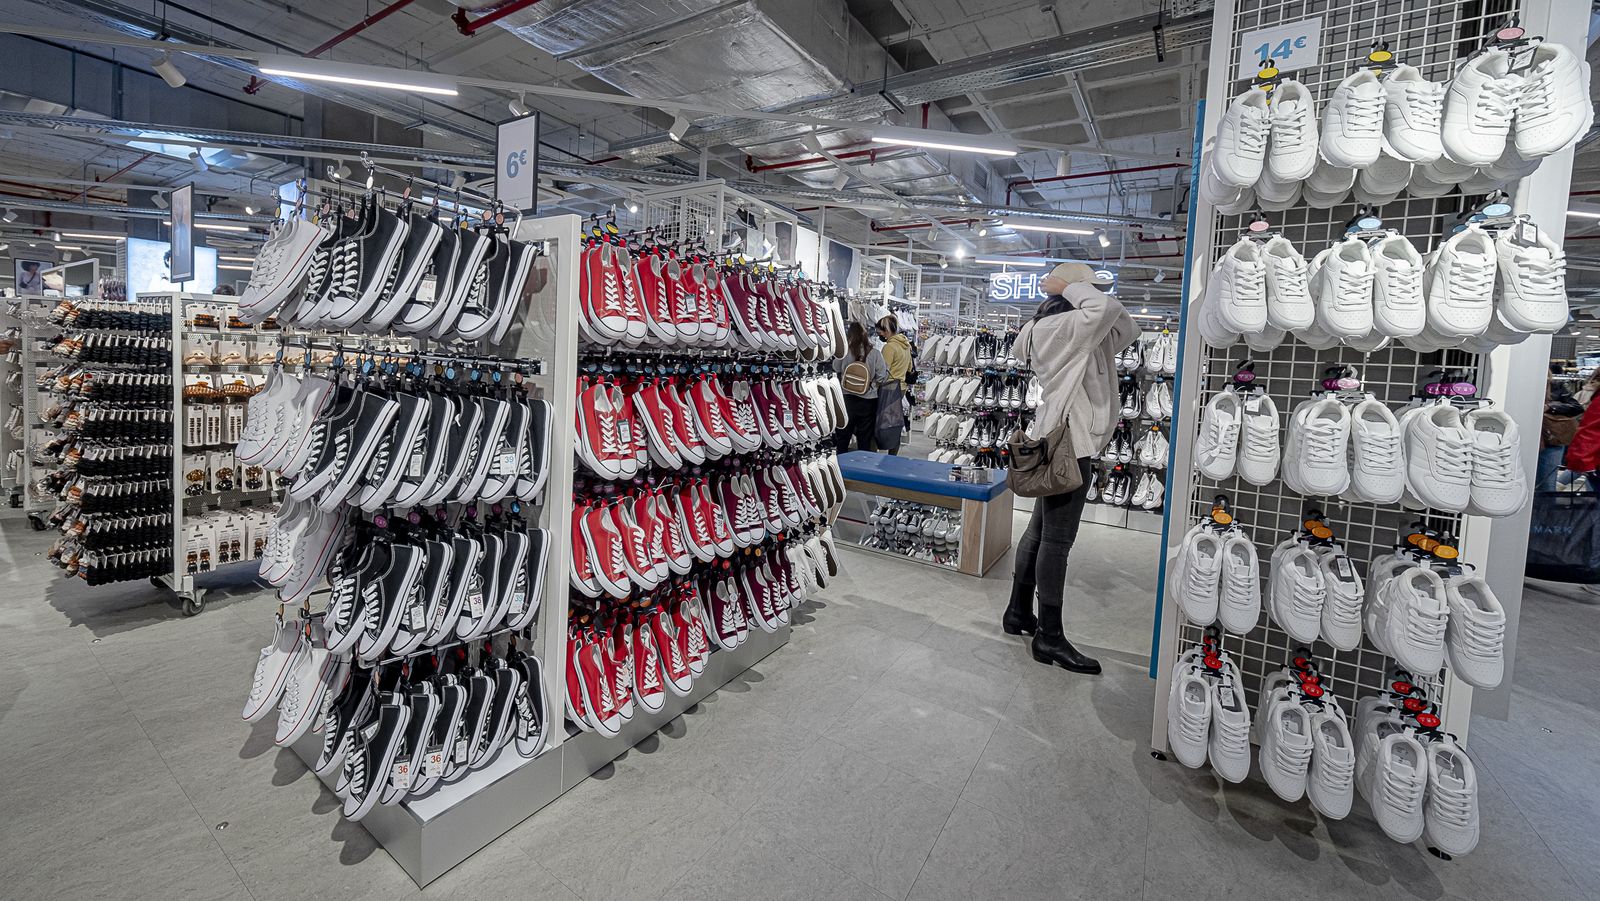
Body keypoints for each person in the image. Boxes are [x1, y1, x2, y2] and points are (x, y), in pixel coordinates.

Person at [1002, 262, 1136, 675]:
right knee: (1057, 542)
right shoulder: (1064, 329)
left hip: (1061, 437)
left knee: (1039, 531)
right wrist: (1074, 285)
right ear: (1075, 293)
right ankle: (1050, 636)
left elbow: (1125, 327)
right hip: (1070, 444)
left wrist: (1074, 289)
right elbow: (1104, 308)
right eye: (1085, 288)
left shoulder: (1069, 330)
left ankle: (1018, 612)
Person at [833, 322, 886, 453]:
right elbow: (882, 376)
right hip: (868, 399)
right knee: (865, 435)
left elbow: (836, 367)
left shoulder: (845, 352)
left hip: (847, 398)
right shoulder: (875, 353)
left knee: (844, 433)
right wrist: (872, 385)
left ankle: (841, 463)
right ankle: (862, 463)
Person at [875, 315, 911, 454]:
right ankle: (892, 455)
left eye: (880, 332)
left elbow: (883, 372)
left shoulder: (889, 347)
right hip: (900, 388)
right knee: (894, 424)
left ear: (887, 331)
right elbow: (909, 368)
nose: (879, 335)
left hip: (888, 388)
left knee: (880, 424)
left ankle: (875, 453)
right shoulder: (905, 345)